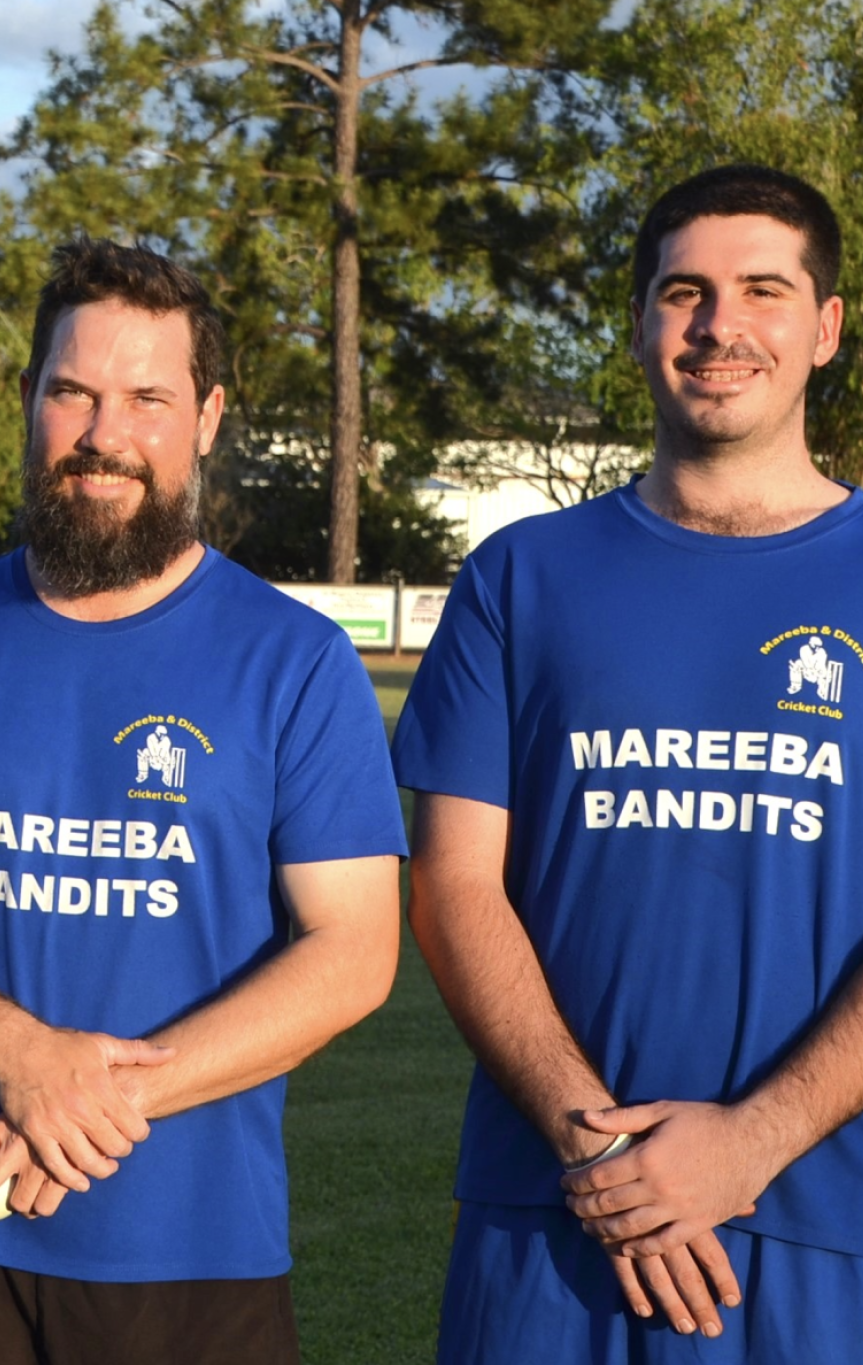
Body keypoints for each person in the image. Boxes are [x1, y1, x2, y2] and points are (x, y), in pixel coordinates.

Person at [0, 237, 405, 1364]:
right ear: (28, 399)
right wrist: (14, 1048)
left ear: (207, 416)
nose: (102, 435)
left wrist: (86, 1097)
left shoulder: (296, 662)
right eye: (71, 391)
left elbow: (356, 950)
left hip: (194, 1258)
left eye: (145, 399)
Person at [393, 164, 863, 1362]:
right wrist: (597, 1146)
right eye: (682, 291)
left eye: (762, 289)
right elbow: (451, 887)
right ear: (641, 321)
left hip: (816, 1223)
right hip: (551, 1215)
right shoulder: (519, 575)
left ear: (822, 329)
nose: (718, 326)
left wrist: (750, 1142)